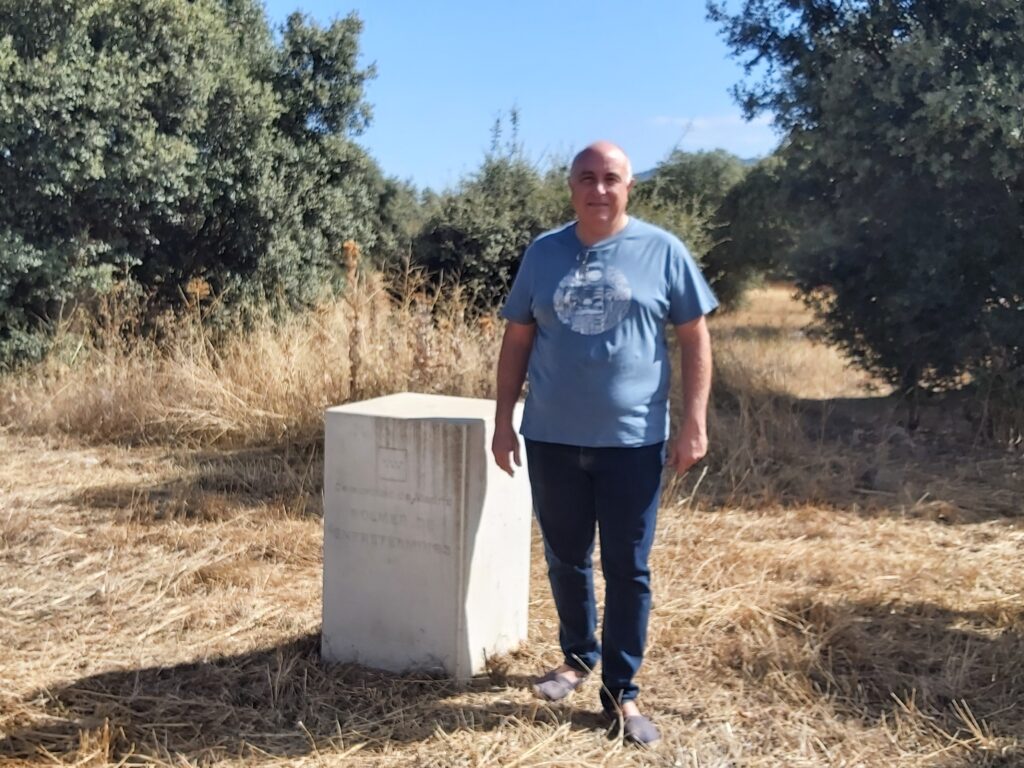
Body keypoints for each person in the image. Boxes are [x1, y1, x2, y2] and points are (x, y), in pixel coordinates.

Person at [491, 140, 717, 747]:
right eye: (586, 178)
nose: (598, 189)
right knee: (565, 558)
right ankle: (576, 658)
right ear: (571, 187)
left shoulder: (663, 251)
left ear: (628, 187)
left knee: (628, 568)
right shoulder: (544, 253)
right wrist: (503, 421)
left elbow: (695, 337)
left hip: (632, 441)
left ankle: (622, 691)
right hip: (551, 437)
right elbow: (517, 341)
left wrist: (693, 422)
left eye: (610, 178)